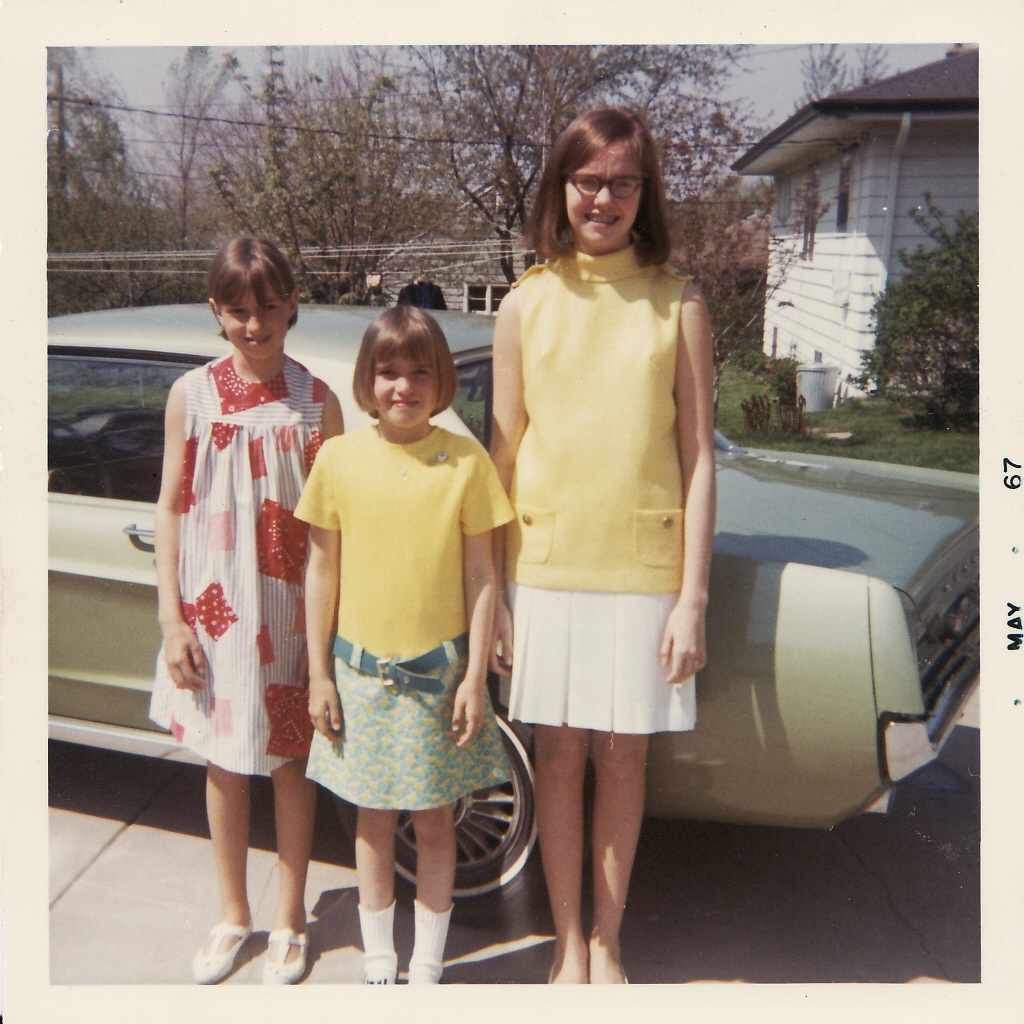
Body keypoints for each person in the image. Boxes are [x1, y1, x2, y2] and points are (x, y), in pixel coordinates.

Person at [489, 107, 716, 984]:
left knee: (624, 756)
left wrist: (691, 596)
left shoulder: (679, 301)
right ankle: (566, 944)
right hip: (544, 570)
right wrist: (493, 596)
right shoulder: (525, 303)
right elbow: (500, 465)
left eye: (625, 181)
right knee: (561, 754)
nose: (606, 198)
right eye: (590, 180)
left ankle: (609, 942)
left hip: (644, 574)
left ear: (645, 193)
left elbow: (697, 459)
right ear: (563, 187)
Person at [297, 305, 514, 984]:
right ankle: (380, 957)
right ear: (368, 379)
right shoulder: (338, 458)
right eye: (388, 372)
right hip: (359, 674)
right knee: (372, 821)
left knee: (437, 820)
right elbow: (321, 570)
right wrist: (319, 675)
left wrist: (476, 676)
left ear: (441, 380)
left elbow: (483, 575)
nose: (403, 387)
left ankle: (426, 959)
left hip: (439, 678)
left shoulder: (466, 460)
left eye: (420, 372)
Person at [149, 236, 344, 985]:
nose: (255, 325)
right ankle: (234, 914)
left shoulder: (316, 401)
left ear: (292, 306)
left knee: (292, 765)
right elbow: (170, 507)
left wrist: (329, 638)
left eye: (268, 308)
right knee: (227, 768)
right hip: (214, 614)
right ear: (217, 314)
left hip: (294, 615)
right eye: (239, 312)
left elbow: (334, 523)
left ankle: (290, 916)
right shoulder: (191, 397)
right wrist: (172, 619)